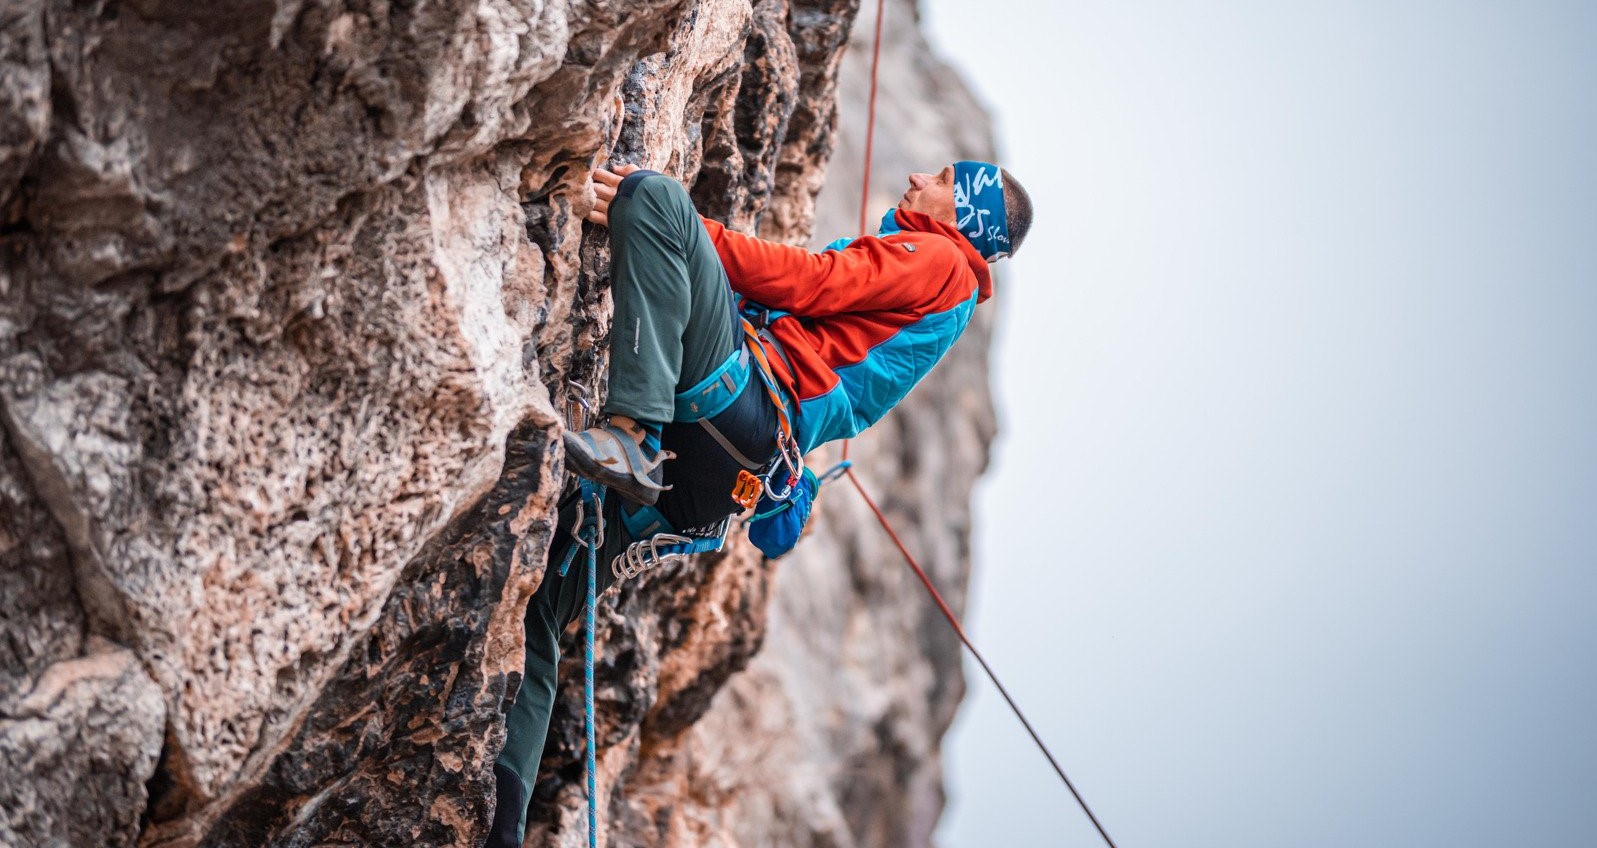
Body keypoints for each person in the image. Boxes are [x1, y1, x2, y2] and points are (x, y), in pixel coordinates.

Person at [488, 160, 1032, 847]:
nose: (921, 174)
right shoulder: (941, 302)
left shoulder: (941, 259)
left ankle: (631, 431)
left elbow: (812, 281)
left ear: (967, 213)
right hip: (720, 477)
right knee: (541, 608)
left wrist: (673, 222)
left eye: (946, 178)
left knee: (654, 195)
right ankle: (499, 833)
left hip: (737, 404)